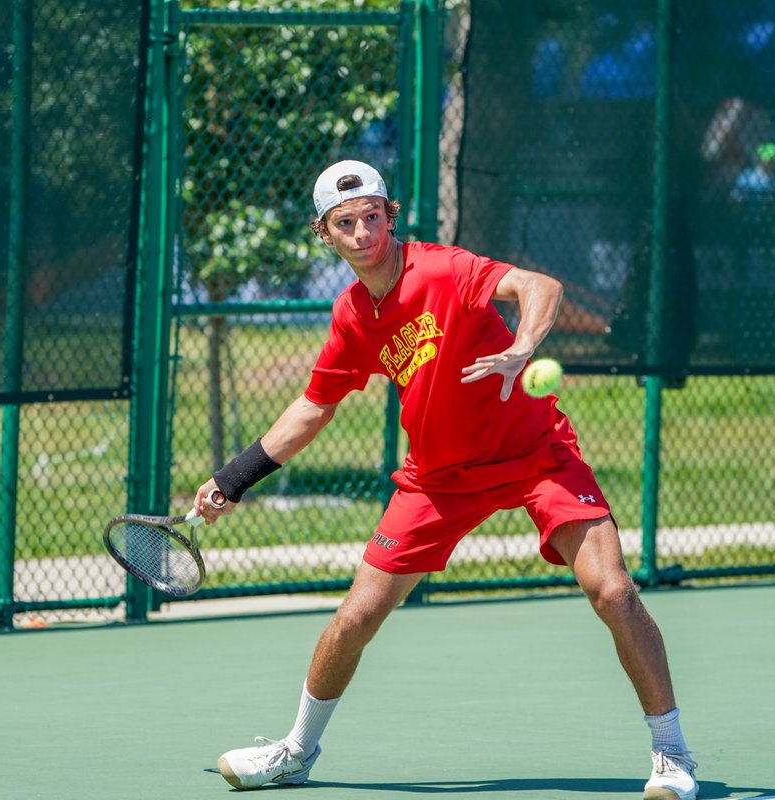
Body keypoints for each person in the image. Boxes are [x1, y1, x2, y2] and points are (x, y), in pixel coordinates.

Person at [193, 160, 698, 800]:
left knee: (613, 591)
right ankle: (296, 752)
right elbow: (313, 407)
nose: (363, 232)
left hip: (536, 454)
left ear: (390, 215)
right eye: (346, 223)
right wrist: (234, 478)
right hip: (438, 479)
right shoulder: (351, 314)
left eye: (373, 216)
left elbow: (540, 286)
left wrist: (523, 346)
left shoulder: (442, 268)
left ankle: (672, 755)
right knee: (354, 619)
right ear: (325, 234)